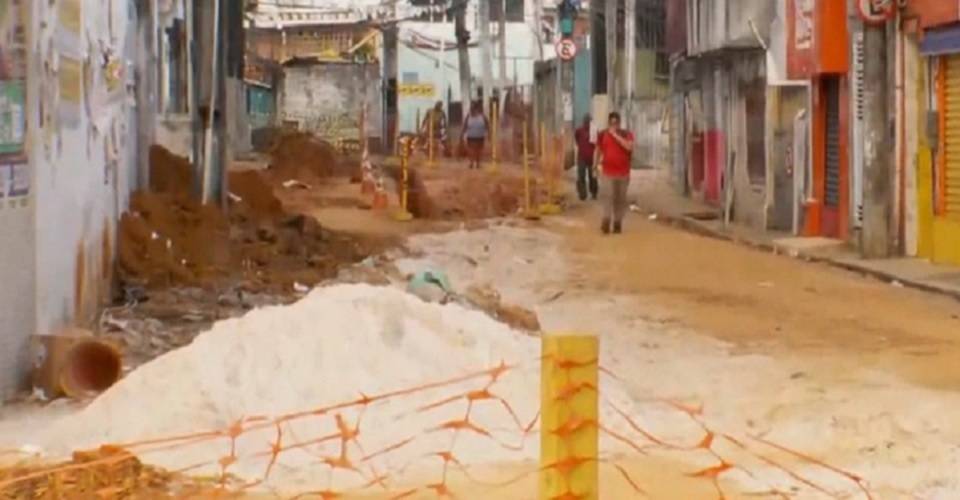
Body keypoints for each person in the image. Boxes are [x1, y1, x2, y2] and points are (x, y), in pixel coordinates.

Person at [593, 111, 634, 234]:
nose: (613, 125)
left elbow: (629, 147)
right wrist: (594, 165)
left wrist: (615, 135)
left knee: (620, 199)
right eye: (611, 123)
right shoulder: (602, 135)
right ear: (608, 122)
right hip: (607, 173)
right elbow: (598, 150)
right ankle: (606, 221)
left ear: (619, 123)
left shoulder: (626, 134)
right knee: (607, 196)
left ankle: (617, 222)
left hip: (623, 173)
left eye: (616, 123)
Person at [574, 114, 598, 201]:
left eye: (588, 121)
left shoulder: (594, 131)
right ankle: (582, 194)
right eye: (586, 121)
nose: (587, 123)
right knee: (581, 176)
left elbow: (597, 143)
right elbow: (576, 139)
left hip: (591, 157)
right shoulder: (579, 130)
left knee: (593, 176)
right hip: (582, 157)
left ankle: (594, 192)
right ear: (583, 122)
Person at [461, 101, 489, 169]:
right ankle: (471, 163)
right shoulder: (468, 116)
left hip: (480, 136)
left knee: (478, 150)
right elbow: (465, 126)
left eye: (473, 108)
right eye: (471, 109)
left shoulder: (482, 116)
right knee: (471, 150)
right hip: (471, 136)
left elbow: (487, 125)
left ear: (477, 109)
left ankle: (478, 163)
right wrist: (462, 134)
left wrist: (489, 134)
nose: (472, 110)